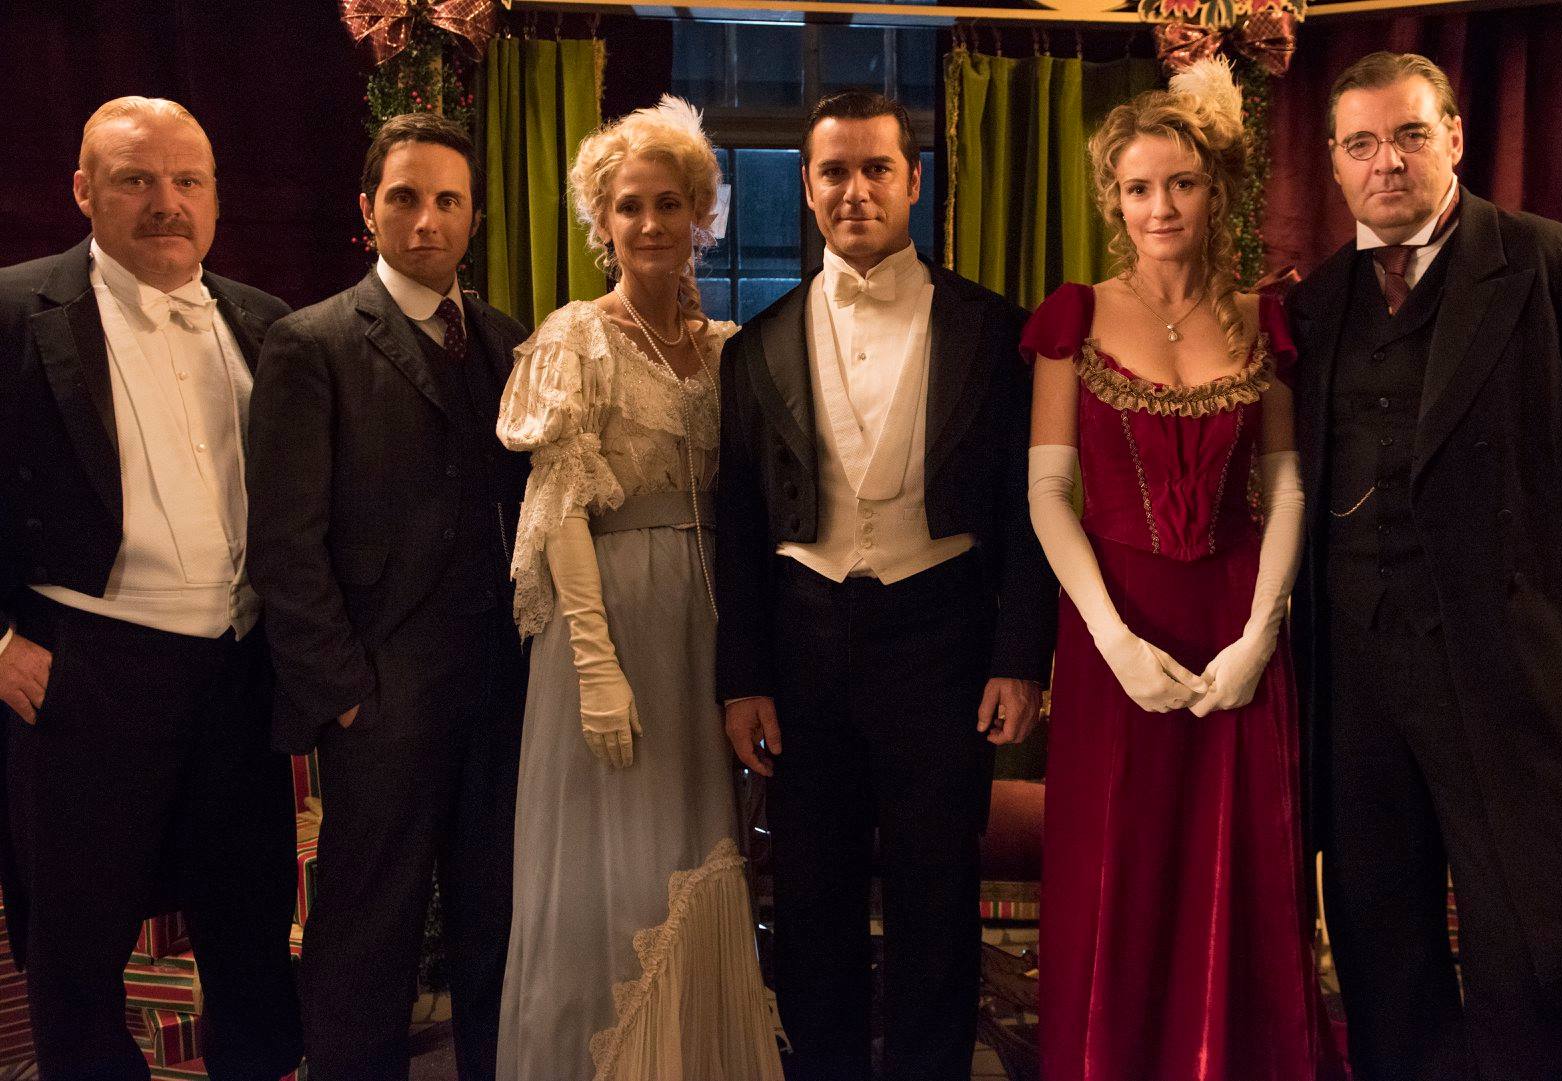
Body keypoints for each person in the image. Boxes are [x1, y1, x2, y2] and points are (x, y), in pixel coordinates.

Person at [1288, 51, 1562, 1080]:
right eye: (1362, 143)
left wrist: (1515, 573)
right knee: (1382, 948)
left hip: (1503, 672)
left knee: (1527, 951)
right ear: (1334, 163)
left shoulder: (1558, 264)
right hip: (1355, 680)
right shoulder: (1313, 304)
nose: (1386, 162)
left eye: (1410, 135)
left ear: (1456, 139)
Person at [715, 90, 1056, 1081]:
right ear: (806, 187)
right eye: (834, 171)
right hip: (802, 649)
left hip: (943, 642)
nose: (855, 189)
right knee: (809, 898)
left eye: (876, 169)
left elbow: (1030, 505)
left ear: (913, 181)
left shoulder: (996, 331)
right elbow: (739, 530)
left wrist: (1020, 656)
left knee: (936, 898)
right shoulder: (755, 347)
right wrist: (743, 679)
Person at [1022, 61, 1340, 1080]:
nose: (1160, 206)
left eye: (1182, 184)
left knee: (1242, 866)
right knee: (1122, 865)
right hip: (1115, 627)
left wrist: (1260, 635)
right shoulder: (1073, 316)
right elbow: (1047, 494)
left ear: (1216, 190)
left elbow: (1285, 486)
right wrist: (1113, 642)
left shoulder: (1262, 316)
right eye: (1138, 187)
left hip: (1238, 620)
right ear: (1113, 201)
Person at [0, 97, 302, 1079]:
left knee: (252, 933)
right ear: (84, 191)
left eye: (187, 181)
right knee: (76, 950)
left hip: (239, 675)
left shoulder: (267, 324)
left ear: (214, 198)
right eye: (135, 179)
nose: (165, 201)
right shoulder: (13, 311)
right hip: (84, 670)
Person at [493, 96, 783, 1081]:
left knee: (699, 849)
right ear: (601, 219)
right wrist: (596, 665)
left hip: (707, 627)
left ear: (702, 213)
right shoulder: (575, 337)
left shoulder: (729, 347)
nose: (651, 223)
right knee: (610, 864)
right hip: (611, 622)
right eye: (630, 206)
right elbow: (560, 511)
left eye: (670, 203)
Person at [245, 112, 530, 1080]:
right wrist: (345, 696)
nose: (426, 219)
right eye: (405, 197)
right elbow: (284, 545)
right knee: (367, 943)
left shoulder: (507, 341)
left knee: (498, 932)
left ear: (475, 217)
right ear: (368, 209)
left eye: (449, 200)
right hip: (379, 702)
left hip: (499, 698)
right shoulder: (310, 342)